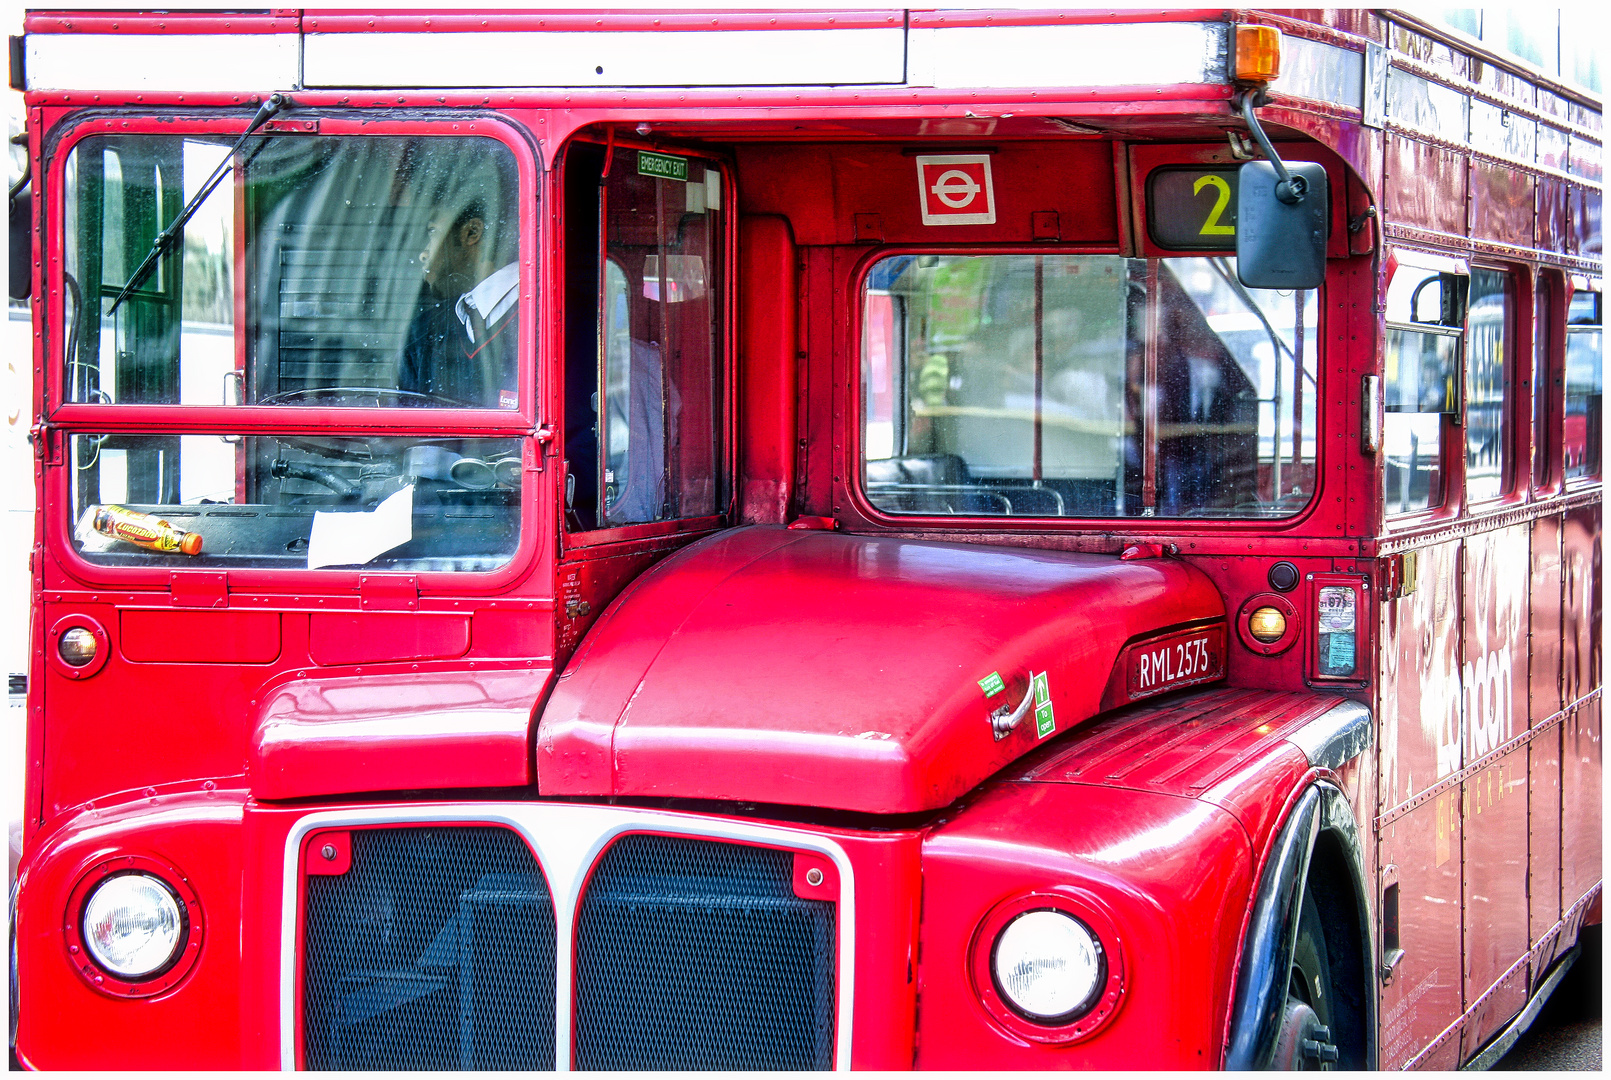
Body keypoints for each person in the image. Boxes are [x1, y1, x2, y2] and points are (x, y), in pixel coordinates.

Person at [399, 189, 520, 409]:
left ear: (471, 232)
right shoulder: (424, 331)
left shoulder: (547, 317)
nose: (423, 254)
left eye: (433, 232)